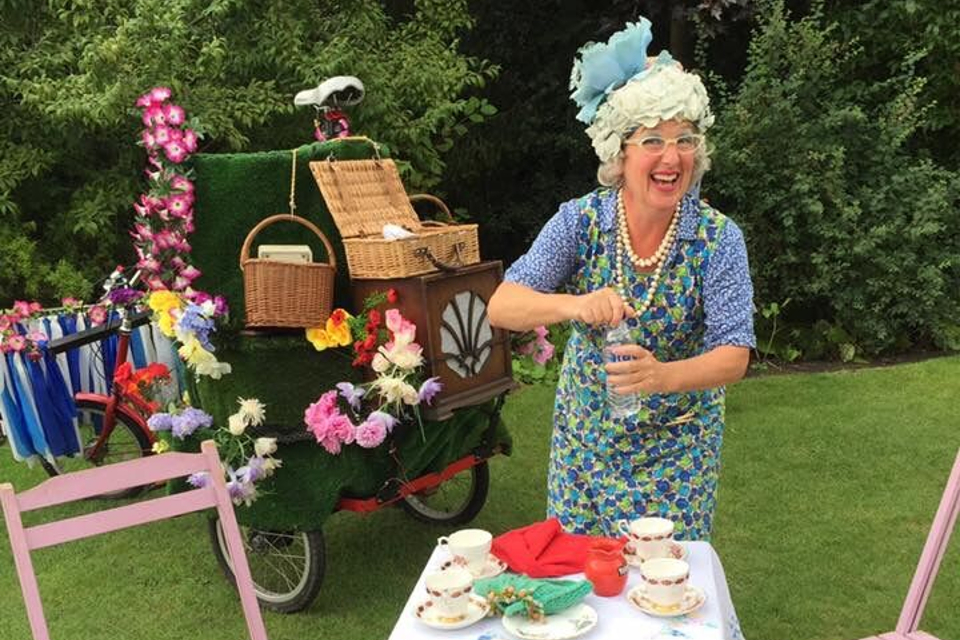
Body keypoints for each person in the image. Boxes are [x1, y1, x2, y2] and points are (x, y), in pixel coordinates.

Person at [488, 18, 755, 540]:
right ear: (620, 151)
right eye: (652, 139)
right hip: (584, 445)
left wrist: (660, 377)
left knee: (664, 594)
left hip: (679, 452)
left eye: (684, 139)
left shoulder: (718, 239)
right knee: (580, 587)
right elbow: (503, 305)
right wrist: (574, 305)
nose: (671, 156)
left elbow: (734, 355)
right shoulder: (580, 222)